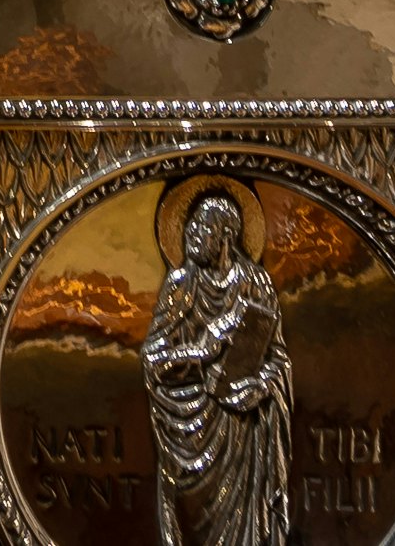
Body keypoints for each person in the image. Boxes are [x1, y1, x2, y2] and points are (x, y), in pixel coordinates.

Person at [143, 188, 293, 546]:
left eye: (201, 231)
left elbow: (278, 357)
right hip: (188, 430)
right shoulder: (181, 285)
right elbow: (152, 360)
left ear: (227, 236)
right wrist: (201, 350)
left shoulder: (256, 284)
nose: (191, 237)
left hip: (244, 435)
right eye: (189, 230)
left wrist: (262, 386)